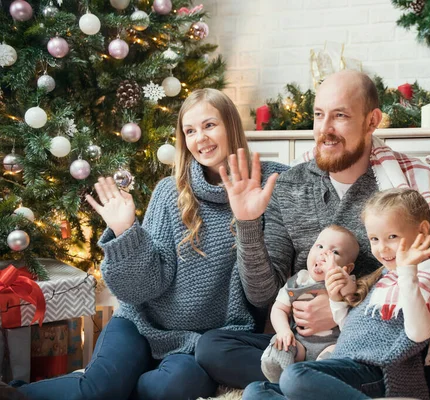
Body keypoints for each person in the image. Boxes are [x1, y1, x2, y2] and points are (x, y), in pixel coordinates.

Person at [196, 70, 430, 398]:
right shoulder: (290, 186)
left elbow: (425, 286)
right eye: (319, 115)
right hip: (304, 344)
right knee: (211, 347)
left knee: (427, 371)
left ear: (372, 120)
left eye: (340, 116)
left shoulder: (404, 186)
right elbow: (263, 295)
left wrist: (340, 308)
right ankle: (315, 383)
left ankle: (312, 384)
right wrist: (247, 223)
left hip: (377, 341)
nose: (325, 129)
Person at [16, 88, 288, 400]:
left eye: (210, 125)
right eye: (190, 131)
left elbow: (262, 292)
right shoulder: (170, 192)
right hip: (140, 325)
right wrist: (125, 232)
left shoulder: (266, 185)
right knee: (98, 388)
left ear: (232, 126)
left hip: (200, 343)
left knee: (171, 387)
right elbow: (139, 291)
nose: (200, 138)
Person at [242, 188, 430, 400]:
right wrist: (336, 299)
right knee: (256, 391)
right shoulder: (383, 277)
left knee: (294, 376)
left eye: (391, 236)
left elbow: (420, 334)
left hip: (378, 372)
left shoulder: (424, 276)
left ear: (422, 231)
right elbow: (350, 329)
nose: (382, 249)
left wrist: (407, 273)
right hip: (344, 364)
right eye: (374, 239)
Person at [261, 225, 359, 383]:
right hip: (300, 344)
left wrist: (338, 278)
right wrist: (283, 331)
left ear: (347, 268)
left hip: (331, 345)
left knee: (336, 358)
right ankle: (279, 372)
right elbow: (279, 308)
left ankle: (313, 380)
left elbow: (352, 301)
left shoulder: (346, 282)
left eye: (334, 252)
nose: (323, 254)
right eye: (319, 246)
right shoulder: (298, 281)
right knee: (281, 345)